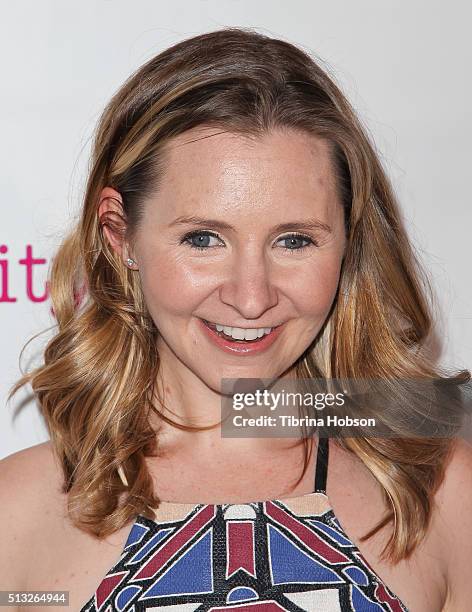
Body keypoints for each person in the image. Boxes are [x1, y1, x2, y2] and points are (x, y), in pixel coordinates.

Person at [1, 27, 471, 612]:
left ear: (349, 242)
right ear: (119, 234)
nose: (251, 298)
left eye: (295, 240)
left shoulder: (441, 491)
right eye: (204, 239)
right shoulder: (15, 513)